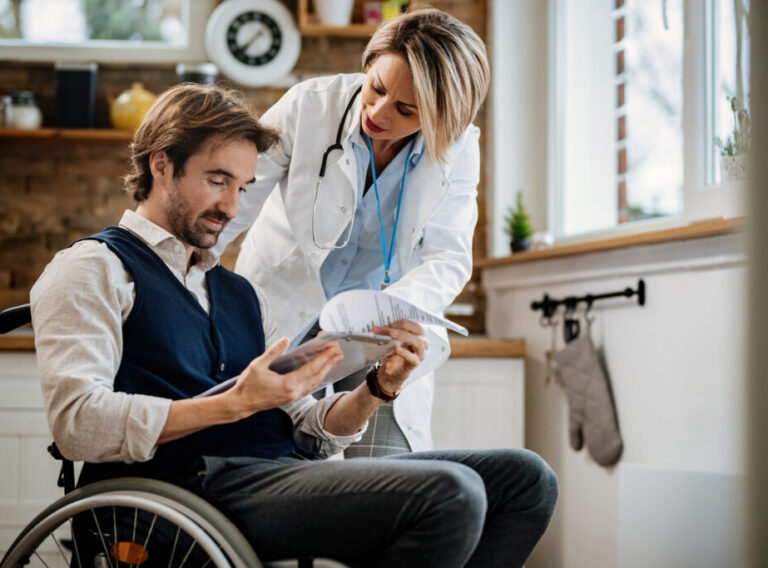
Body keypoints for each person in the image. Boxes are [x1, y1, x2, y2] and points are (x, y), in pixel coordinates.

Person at [30, 84, 557, 567]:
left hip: (277, 476)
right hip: (186, 489)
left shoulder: (239, 295)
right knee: (451, 493)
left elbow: (307, 429)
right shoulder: (92, 268)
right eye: (217, 181)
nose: (233, 208)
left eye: (243, 187)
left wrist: (378, 386)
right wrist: (234, 403)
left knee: (525, 480)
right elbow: (77, 423)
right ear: (162, 165)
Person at [215, 8, 491, 457]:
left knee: (386, 473)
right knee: (274, 461)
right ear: (369, 64)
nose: (378, 112)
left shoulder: (458, 148)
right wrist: (180, 276)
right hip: (284, 313)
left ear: (444, 116)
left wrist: (400, 306)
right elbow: (233, 203)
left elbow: (448, 255)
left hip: (379, 331)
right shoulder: (310, 105)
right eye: (376, 88)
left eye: (406, 109)